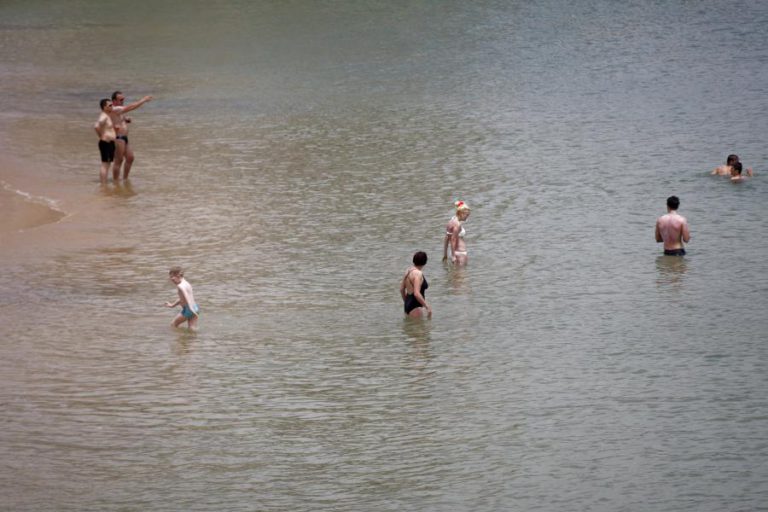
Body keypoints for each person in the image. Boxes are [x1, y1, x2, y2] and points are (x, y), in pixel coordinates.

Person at [109, 91, 153, 181]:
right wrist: (143, 100)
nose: (123, 101)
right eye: (121, 100)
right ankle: (116, 182)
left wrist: (125, 120)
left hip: (124, 138)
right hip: (118, 138)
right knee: (119, 160)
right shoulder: (115, 108)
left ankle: (125, 179)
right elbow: (131, 107)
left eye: (123, 99)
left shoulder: (119, 110)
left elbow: (118, 119)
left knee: (130, 157)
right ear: (114, 101)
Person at [400, 251, 432, 318]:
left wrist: (406, 302)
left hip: (407, 305)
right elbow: (416, 293)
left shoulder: (408, 271)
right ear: (425, 262)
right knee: (419, 327)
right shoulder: (418, 274)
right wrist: (427, 307)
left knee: (410, 327)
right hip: (416, 306)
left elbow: (401, 289)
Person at [93, 98, 118, 184]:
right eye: (110, 105)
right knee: (105, 164)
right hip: (105, 142)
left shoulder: (107, 115)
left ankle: (104, 182)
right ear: (104, 107)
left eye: (112, 105)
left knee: (108, 164)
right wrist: (101, 136)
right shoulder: (103, 116)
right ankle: (103, 184)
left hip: (109, 142)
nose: (112, 107)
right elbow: (96, 126)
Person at [443, 200, 471, 265]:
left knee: (455, 274)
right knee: (462, 274)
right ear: (460, 213)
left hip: (454, 252)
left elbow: (447, 238)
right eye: (466, 215)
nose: (467, 217)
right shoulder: (457, 224)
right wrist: (453, 256)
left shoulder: (451, 221)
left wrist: (445, 254)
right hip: (460, 252)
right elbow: (453, 239)